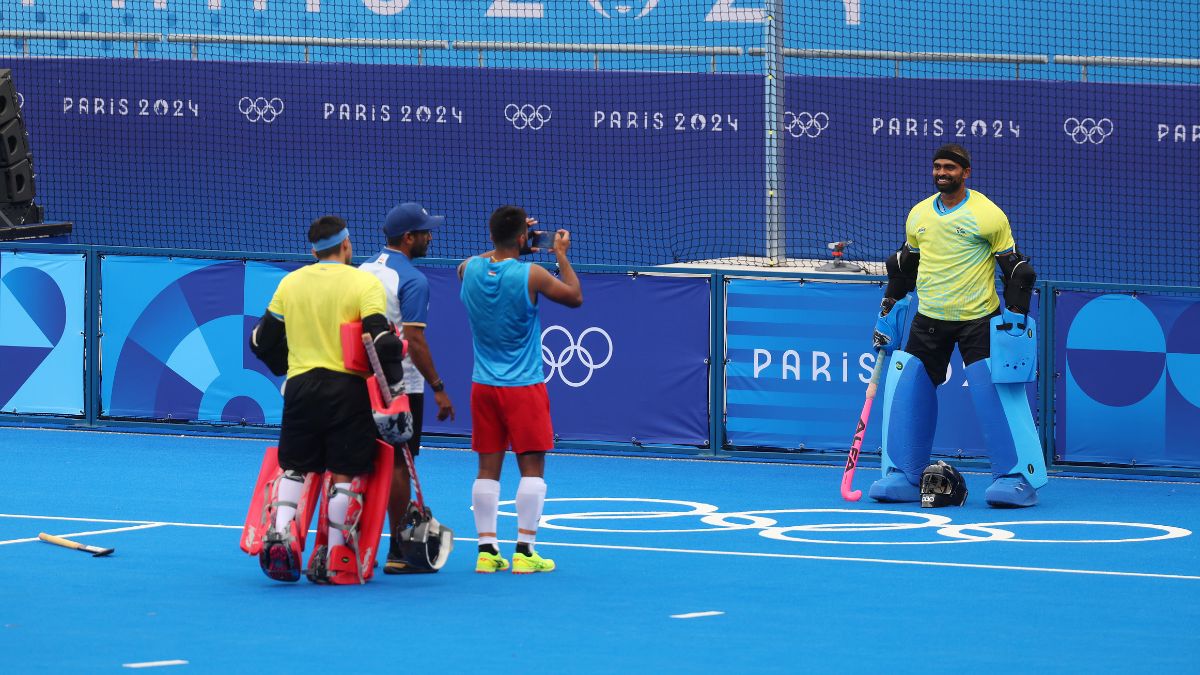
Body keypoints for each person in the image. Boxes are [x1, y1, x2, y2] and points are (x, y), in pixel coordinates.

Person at [869, 144, 1046, 508]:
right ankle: (904, 475)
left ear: (966, 172)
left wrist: (1014, 318)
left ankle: (1014, 477)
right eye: (937, 167)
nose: (941, 173)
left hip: (978, 318)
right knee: (912, 387)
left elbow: (1016, 269)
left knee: (990, 392)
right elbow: (905, 266)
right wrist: (887, 313)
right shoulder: (919, 214)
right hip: (929, 317)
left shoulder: (987, 214)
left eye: (949, 167)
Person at [248, 215, 408, 582]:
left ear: (313, 250)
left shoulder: (291, 283)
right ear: (347, 245)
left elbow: (261, 340)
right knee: (345, 474)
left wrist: (285, 365)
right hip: (347, 389)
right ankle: (336, 555)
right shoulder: (363, 283)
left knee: (295, 467)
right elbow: (382, 343)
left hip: (301, 387)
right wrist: (394, 395)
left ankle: (281, 534)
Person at [458, 205, 582, 574]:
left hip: (483, 387)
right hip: (523, 387)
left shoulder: (469, 269)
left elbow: (481, 260)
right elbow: (574, 296)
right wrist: (560, 255)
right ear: (522, 238)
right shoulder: (532, 274)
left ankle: (486, 551)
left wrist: (505, 246)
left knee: (486, 469)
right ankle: (525, 553)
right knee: (532, 468)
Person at [360, 202, 457, 574]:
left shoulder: (363, 270)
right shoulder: (413, 280)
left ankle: (356, 542)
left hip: (362, 381)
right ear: (408, 238)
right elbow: (415, 342)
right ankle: (399, 550)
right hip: (401, 385)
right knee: (401, 463)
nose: (431, 237)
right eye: (426, 231)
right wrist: (438, 387)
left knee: (364, 462)